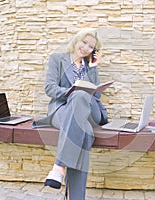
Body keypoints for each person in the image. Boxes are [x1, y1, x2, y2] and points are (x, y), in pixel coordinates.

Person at [33, 28, 108, 200]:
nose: (86, 48)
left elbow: (96, 95)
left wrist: (94, 68)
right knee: (85, 132)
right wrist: (71, 92)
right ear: (77, 40)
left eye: (91, 47)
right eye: (84, 42)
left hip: (90, 112)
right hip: (62, 110)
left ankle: (59, 167)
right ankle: (73, 197)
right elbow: (50, 88)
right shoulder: (57, 59)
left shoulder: (90, 67)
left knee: (81, 96)